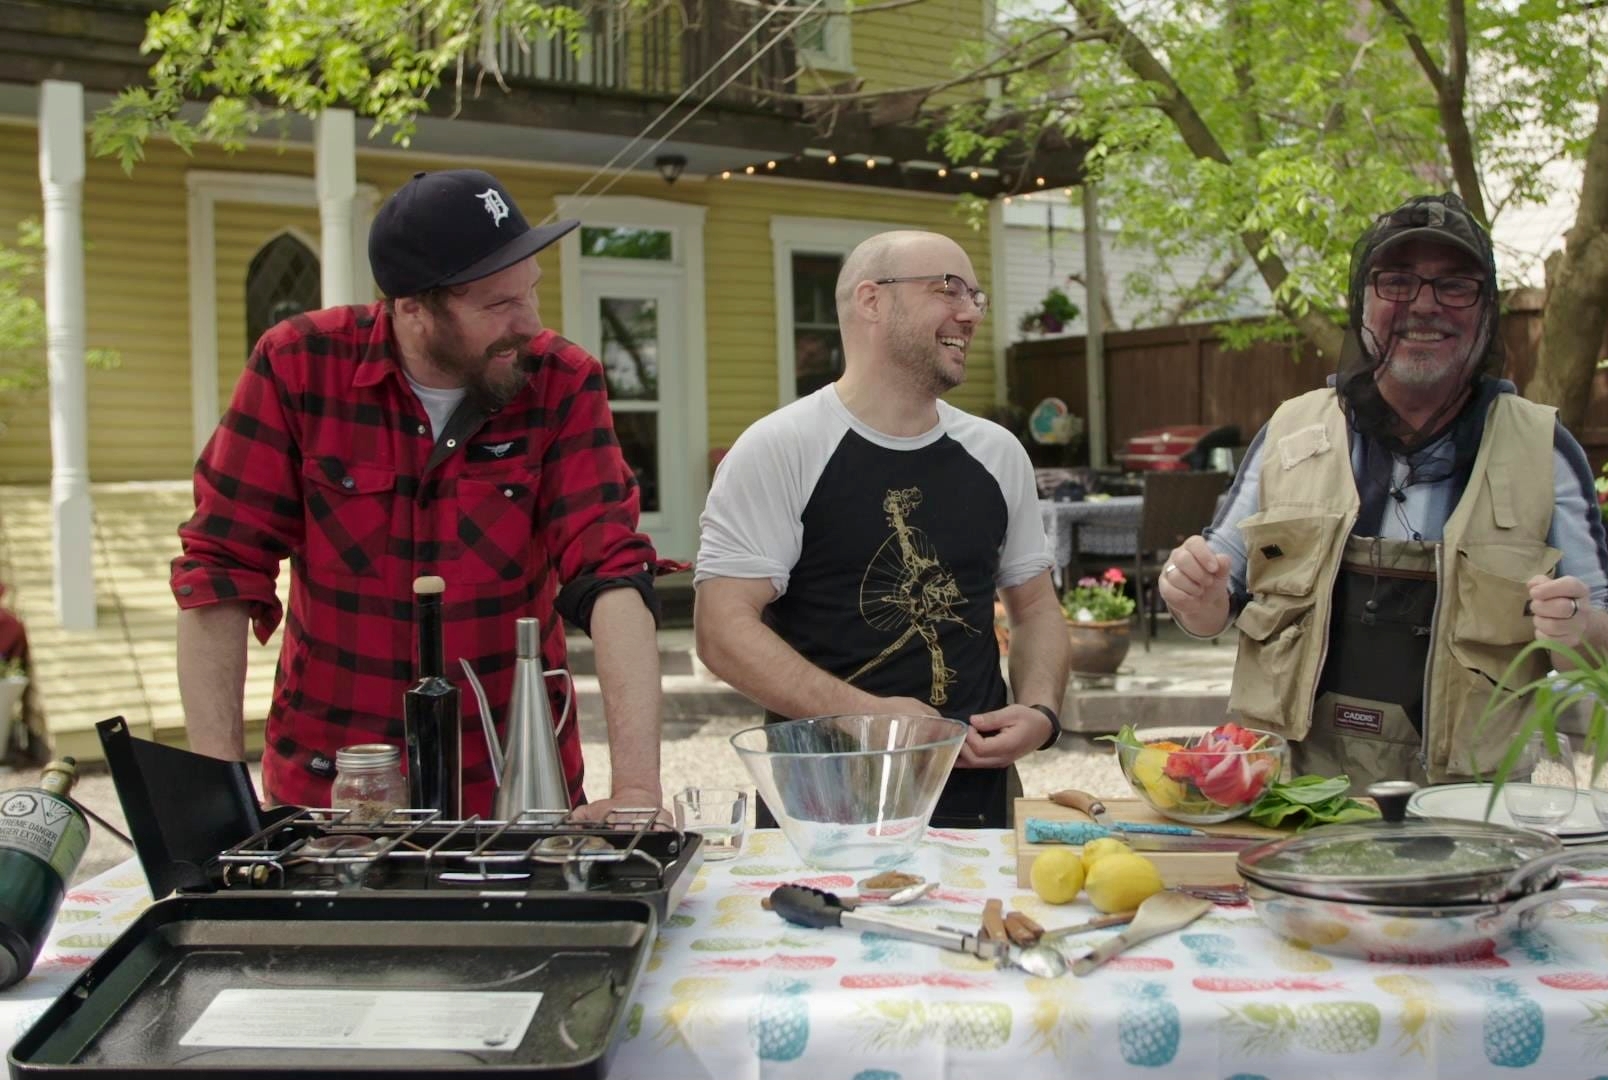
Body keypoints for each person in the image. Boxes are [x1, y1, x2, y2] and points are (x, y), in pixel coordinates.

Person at [172, 169, 668, 820]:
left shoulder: (562, 382)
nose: (529, 322)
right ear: (411, 307)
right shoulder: (298, 365)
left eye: (531, 293)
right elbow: (220, 570)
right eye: (498, 305)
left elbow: (613, 572)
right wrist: (217, 796)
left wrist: (636, 789)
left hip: (513, 784)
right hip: (334, 785)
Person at [1160, 193, 1608, 787]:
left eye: (1455, 286)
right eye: (1397, 282)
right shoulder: (1291, 430)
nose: (1424, 306)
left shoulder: (1545, 450)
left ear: (1485, 312)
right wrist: (1193, 596)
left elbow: (1605, 635)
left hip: (1469, 812)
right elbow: (1214, 599)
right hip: (1292, 802)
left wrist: (1577, 629)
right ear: (1362, 304)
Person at [694, 230, 1068, 829]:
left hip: (978, 800)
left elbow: (1035, 610)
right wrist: (869, 717)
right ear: (871, 301)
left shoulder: (998, 454)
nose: (970, 312)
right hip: (820, 803)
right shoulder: (780, 448)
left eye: (976, 295)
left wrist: (1041, 711)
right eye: (949, 289)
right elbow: (721, 629)